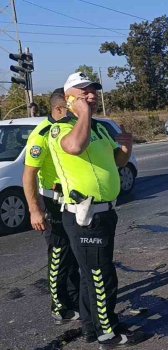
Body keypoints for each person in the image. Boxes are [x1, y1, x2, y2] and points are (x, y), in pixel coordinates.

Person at [48, 72, 142, 348]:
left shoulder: (100, 128)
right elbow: (75, 147)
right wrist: (81, 113)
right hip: (83, 214)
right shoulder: (61, 128)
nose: (91, 96)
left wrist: (126, 146)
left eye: (94, 92)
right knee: (101, 276)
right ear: (69, 98)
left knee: (93, 275)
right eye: (84, 92)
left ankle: (92, 328)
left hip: (105, 212)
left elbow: (119, 162)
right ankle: (107, 332)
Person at [22, 88, 80, 325]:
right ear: (59, 108)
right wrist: (34, 209)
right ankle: (59, 306)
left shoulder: (70, 129)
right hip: (53, 202)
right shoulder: (42, 134)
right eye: (71, 106)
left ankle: (76, 299)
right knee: (58, 254)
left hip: (72, 201)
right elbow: (29, 175)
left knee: (74, 254)